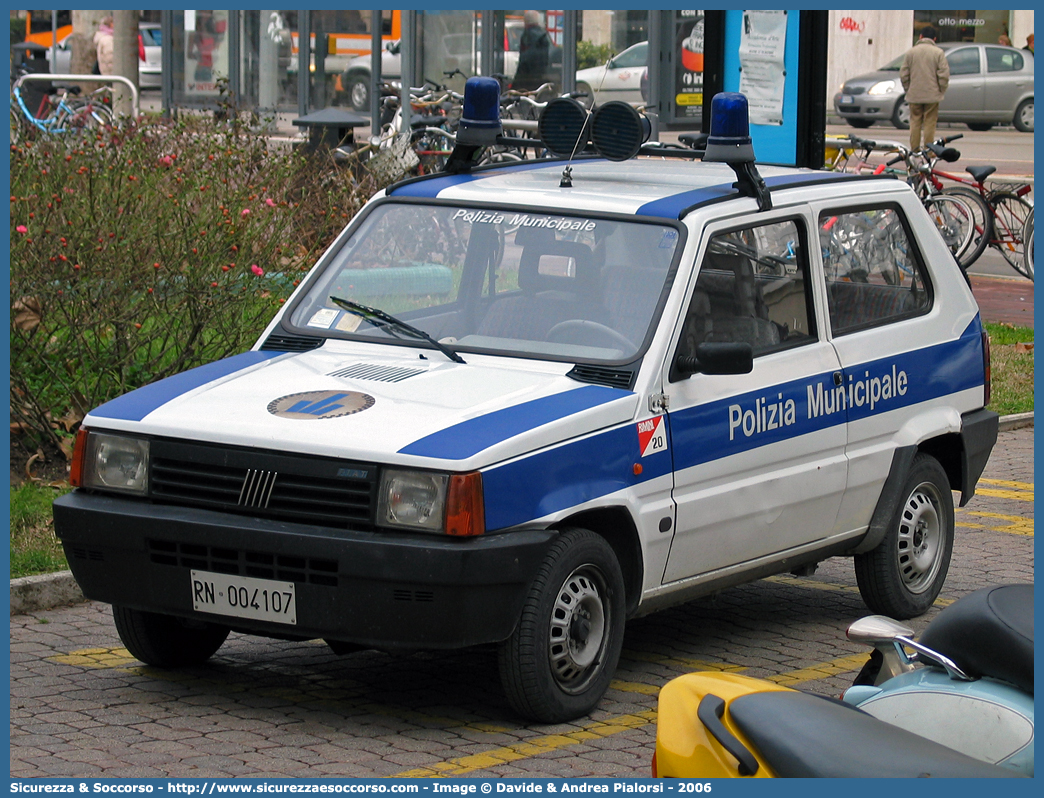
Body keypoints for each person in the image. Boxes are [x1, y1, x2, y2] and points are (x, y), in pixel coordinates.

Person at [899, 26, 950, 150]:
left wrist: (908, 89)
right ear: (934, 39)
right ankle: (929, 149)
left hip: (914, 94)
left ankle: (915, 149)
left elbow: (904, 74)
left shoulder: (911, 52)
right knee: (929, 123)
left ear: (920, 37)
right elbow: (944, 74)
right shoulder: (938, 53)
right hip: (932, 94)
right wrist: (941, 90)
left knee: (915, 122)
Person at [513, 10, 552, 92]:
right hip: (541, 75)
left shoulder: (527, 36)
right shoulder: (544, 35)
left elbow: (524, 59)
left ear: (526, 22)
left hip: (527, 77)